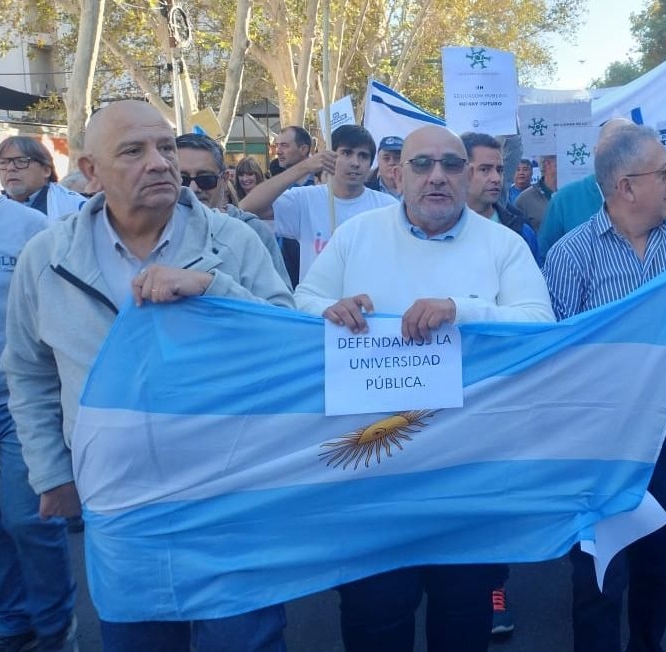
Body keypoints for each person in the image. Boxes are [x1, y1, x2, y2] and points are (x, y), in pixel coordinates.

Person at [1, 100, 294, 652]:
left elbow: (288, 343)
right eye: (133, 151)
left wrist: (212, 289)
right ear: (90, 171)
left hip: (229, 495)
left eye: (164, 146)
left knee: (244, 641)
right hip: (120, 506)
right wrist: (50, 471)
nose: (160, 162)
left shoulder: (233, 242)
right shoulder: (45, 257)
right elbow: (28, 370)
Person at [293, 124, 553, 652]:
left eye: (451, 165)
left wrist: (462, 311)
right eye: (422, 164)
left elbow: (538, 326)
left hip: (468, 477)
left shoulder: (504, 246)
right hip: (371, 476)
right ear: (395, 174)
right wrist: (327, 309)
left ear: (467, 173)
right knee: (373, 620)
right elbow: (301, 301)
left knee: (461, 623)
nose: (437, 177)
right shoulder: (356, 236)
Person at [544, 123, 666, 652]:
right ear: (627, 186)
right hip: (598, 441)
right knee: (600, 575)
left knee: (657, 566)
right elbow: (554, 356)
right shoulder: (571, 254)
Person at [0, 127, 79, 652]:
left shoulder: (28, 227)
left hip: (20, 405)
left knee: (29, 519)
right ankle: (15, 626)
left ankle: (56, 627)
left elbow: (57, 314)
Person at [240, 124, 397, 282]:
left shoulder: (387, 207)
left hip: (367, 304)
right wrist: (305, 166)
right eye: (346, 153)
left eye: (363, 156)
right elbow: (248, 207)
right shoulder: (305, 199)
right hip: (316, 304)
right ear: (329, 156)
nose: (355, 162)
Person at [176, 133, 291, 287]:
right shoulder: (153, 233)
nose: (193, 188)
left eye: (205, 179)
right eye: (182, 179)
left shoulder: (253, 231)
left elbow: (280, 307)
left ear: (224, 180)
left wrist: (211, 286)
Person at [537, 118, 636, 255]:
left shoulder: (652, 195)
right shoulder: (564, 202)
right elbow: (545, 259)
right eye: (615, 148)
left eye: (631, 148)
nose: (622, 155)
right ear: (596, 152)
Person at [461, 132, 539, 260]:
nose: (496, 178)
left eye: (499, 170)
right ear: (463, 171)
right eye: (485, 169)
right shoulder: (436, 229)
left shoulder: (521, 231)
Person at [0, 135, 86, 220]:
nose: (10, 168)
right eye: (3, 162)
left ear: (46, 171)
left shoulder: (75, 208)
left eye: (21, 161)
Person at [513, 154, 556, 231]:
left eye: (525, 169)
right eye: (518, 169)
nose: (521, 173)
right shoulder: (524, 199)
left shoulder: (573, 196)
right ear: (547, 164)